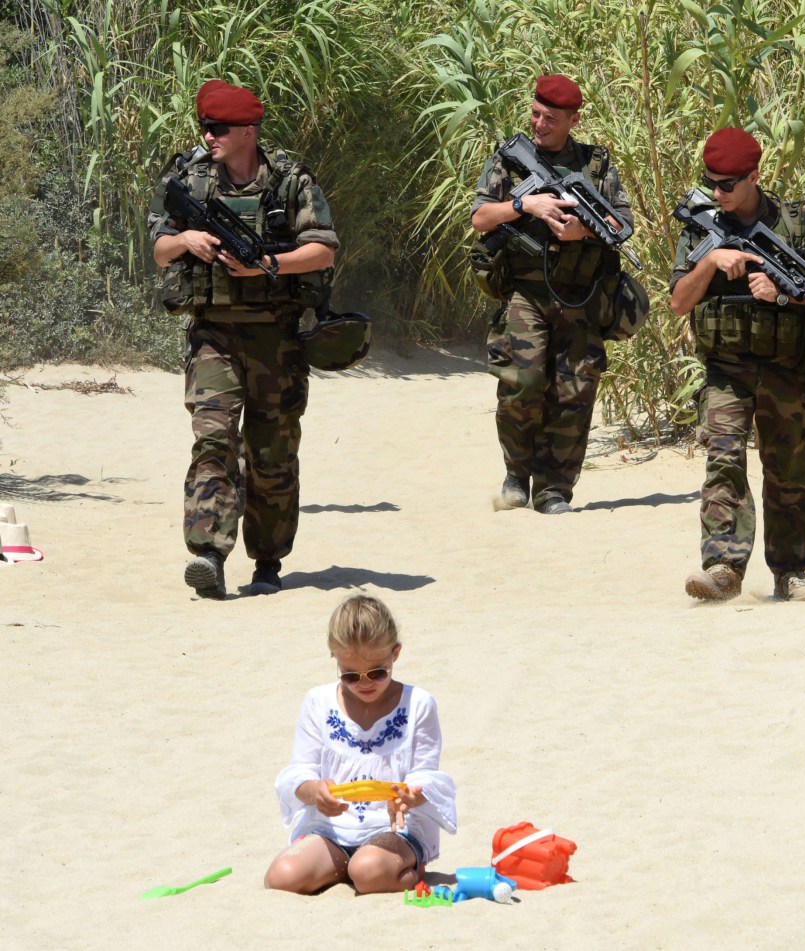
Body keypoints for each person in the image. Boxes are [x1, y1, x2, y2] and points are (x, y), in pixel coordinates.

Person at [147, 79, 338, 599]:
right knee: (213, 441)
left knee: (271, 454)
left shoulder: (289, 180)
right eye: (205, 127)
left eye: (219, 128)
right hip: (214, 336)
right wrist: (185, 238)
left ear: (248, 131)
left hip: (278, 338)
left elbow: (322, 249)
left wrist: (266, 266)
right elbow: (161, 249)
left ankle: (268, 560)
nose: (208, 135)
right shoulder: (191, 179)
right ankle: (209, 551)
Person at [669, 127, 805, 603]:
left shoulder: (794, 223)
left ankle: (791, 572)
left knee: (790, 468)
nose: (717, 193)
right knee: (723, 460)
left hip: (786, 367)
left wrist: (785, 292)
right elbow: (679, 302)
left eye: (728, 184)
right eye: (710, 182)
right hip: (726, 368)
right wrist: (710, 262)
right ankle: (723, 569)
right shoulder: (702, 225)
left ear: (754, 176)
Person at [471, 74, 634, 514]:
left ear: (573, 120)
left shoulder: (595, 165)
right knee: (521, 383)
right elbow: (482, 217)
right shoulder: (510, 160)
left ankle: (554, 489)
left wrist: (583, 229)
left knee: (574, 391)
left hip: (580, 295)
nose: (540, 124)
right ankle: (516, 475)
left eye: (551, 118)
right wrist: (527, 205)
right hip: (526, 292)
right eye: (536, 114)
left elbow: (622, 224)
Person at [264, 595, 457, 895]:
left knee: (366, 871)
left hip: (393, 829)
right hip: (330, 830)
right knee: (282, 877)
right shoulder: (318, 702)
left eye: (378, 673)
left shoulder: (418, 704)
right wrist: (315, 791)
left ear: (396, 654)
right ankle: (344, 866)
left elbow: (425, 774)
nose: (365, 683)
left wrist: (411, 795)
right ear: (335, 659)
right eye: (350, 676)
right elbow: (299, 772)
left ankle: (406, 866)